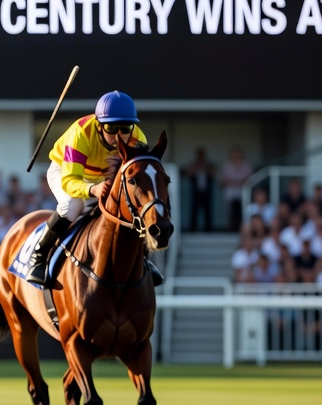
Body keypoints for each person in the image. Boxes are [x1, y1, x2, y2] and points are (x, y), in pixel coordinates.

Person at [25, 90, 162, 287]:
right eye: (111, 127)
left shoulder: (137, 139)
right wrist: (93, 190)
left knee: (133, 207)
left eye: (125, 127)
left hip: (106, 176)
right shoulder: (81, 133)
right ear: (99, 125)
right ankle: (39, 257)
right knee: (72, 206)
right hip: (66, 171)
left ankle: (142, 259)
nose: (118, 135)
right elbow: (71, 180)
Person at [184, 147, 215, 232]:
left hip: (206, 192)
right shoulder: (194, 165)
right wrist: (197, 169)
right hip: (196, 192)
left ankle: (208, 229)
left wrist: (205, 168)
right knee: (194, 210)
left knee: (207, 210)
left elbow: (214, 172)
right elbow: (187, 173)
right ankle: (193, 229)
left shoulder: (208, 165)